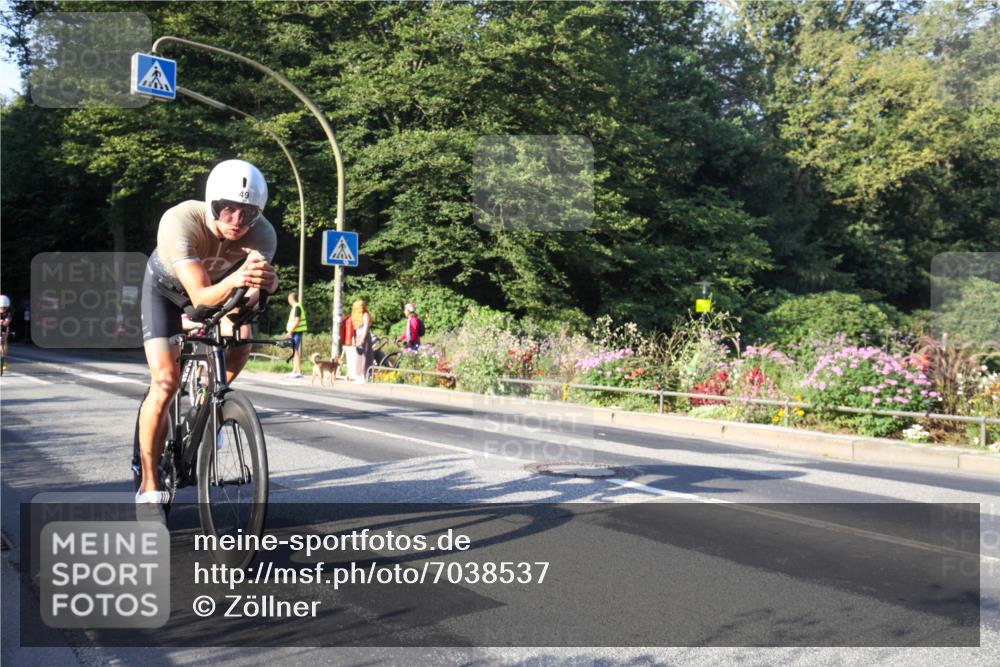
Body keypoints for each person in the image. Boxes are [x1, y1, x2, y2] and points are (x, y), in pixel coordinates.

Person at [137, 159, 278, 508]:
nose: (237, 222)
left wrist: (266, 287)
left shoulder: (264, 235)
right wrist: (242, 278)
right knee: (166, 383)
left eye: (248, 213)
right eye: (227, 210)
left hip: (219, 293)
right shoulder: (180, 220)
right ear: (211, 202)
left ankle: (208, 406)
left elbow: (247, 300)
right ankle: (150, 482)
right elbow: (199, 297)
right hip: (168, 295)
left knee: (241, 339)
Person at [347, 299, 372, 382]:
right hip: (358, 335)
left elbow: (366, 328)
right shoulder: (355, 316)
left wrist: (362, 339)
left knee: (365, 355)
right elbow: (354, 328)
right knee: (358, 355)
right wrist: (353, 338)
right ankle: (358, 374)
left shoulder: (365, 315)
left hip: (364, 336)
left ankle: (365, 375)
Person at [285, 292, 307, 378]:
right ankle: (294, 370)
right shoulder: (296, 307)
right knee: (294, 350)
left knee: (295, 350)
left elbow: (297, 321)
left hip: (296, 331)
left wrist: (290, 331)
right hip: (295, 331)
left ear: (290, 299)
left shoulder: (297, 307)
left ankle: (298, 371)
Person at [0, 295, 11, 370]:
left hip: (4, 328)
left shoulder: (9, 312)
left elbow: (6, 323)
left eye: (5, 308)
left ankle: (4, 359)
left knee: (4, 340)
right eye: (1, 308)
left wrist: (3, 322)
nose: (3, 309)